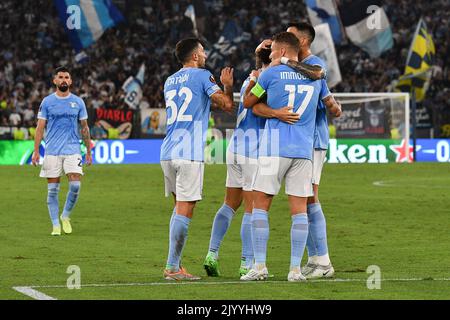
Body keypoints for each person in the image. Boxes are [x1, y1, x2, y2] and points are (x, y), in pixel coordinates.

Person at [203, 45, 325, 278]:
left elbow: (242, 105)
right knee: (254, 208)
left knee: (229, 204)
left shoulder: (253, 77)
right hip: (259, 149)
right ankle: (249, 263)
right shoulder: (272, 77)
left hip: (236, 145)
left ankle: (212, 253)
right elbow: (255, 106)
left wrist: (229, 86)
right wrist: (278, 112)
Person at [240, 32, 331, 282]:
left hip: (273, 149)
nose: (269, 56)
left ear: (280, 52)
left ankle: (259, 267)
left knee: (261, 206)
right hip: (303, 151)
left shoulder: (270, 73)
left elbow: (249, 102)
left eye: (271, 52)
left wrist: (259, 88)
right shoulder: (315, 75)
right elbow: (329, 100)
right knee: (299, 211)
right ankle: (294, 270)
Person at [160, 38, 234, 281]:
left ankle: (176, 265)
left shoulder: (170, 80)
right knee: (185, 208)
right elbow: (226, 105)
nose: (205, 54)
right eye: (202, 51)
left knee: (178, 207)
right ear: (194, 56)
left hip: (167, 150)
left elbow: (193, 106)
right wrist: (227, 86)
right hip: (188, 152)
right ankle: (172, 267)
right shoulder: (203, 75)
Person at [286, 22, 342, 279]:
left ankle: (324, 261)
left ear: (304, 41)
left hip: (313, 140)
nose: (287, 38)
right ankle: (315, 258)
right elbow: (329, 100)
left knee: (309, 198)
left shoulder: (315, 63)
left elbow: (318, 74)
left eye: (292, 35)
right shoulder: (295, 67)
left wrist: (286, 62)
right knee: (302, 199)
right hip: (300, 141)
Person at [32, 66, 92, 236]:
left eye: (67, 77)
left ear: (70, 81)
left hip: (73, 149)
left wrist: (88, 151)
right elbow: (39, 127)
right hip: (52, 151)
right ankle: (55, 225)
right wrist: (36, 151)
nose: (64, 79)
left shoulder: (78, 102)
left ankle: (65, 215)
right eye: (60, 77)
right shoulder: (47, 102)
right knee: (52, 190)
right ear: (55, 81)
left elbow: (85, 128)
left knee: (75, 185)